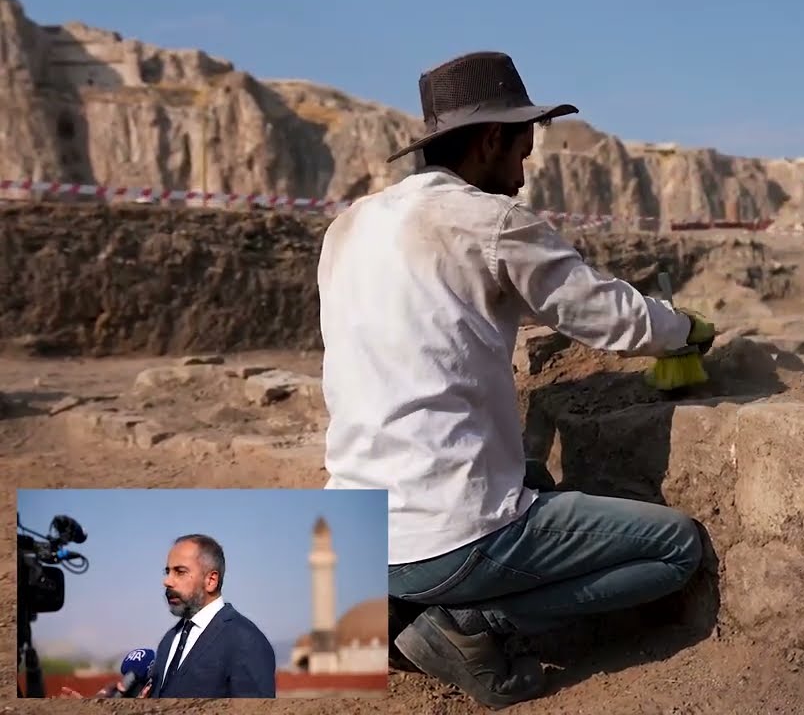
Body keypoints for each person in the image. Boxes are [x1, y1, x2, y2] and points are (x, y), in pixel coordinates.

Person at [318, 51, 713, 709]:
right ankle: (470, 624)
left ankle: (393, 611)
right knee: (677, 548)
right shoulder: (490, 222)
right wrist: (686, 330)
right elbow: (608, 316)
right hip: (441, 531)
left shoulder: (348, 226)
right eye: (522, 151)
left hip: (353, 524)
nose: (524, 173)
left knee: (531, 473)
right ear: (492, 138)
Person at [150, 534, 276, 698]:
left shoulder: (246, 640)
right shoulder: (169, 640)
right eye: (168, 572)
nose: (167, 581)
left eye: (180, 572)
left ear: (211, 580)